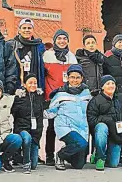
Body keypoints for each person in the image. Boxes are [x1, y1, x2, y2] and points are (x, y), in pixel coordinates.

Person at [44, 64, 93, 171]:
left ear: (82, 78)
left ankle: (68, 151)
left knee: (79, 165)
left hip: (82, 128)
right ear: (68, 78)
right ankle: (61, 155)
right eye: (72, 77)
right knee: (81, 143)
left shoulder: (87, 93)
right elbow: (51, 111)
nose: (75, 80)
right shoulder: (60, 93)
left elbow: (92, 109)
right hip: (65, 127)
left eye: (77, 77)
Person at [42, 29, 78, 165]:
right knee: (51, 127)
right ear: (54, 40)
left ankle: (68, 153)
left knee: (68, 126)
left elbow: (76, 77)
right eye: (59, 39)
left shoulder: (72, 57)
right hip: (52, 98)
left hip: (68, 98)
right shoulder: (47, 55)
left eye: (64, 38)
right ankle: (50, 155)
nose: (62, 41)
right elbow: (42, 76)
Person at [87, 74, 122, 171]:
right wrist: (107, 120)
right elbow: (91, 120)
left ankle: (103, 153)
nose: (111, 85)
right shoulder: (95, 101)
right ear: (102, 87)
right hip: (102, 131)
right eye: (108, 83)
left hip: (116, 133)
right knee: (101, 127)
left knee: (113, 164)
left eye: (113, 83)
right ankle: (100, 156)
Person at [75, 34, 105, 159]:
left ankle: (94, 153)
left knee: (95, 124)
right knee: (84, 123)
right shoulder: (80, 58)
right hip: (86, 94)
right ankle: (83, 153)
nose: (91, 45)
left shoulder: (101, 58)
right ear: (84, 45)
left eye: (93, 42)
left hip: (98, 95)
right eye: (88, 43)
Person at [11, 73, 45, 173]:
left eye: (35, 83)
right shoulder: (18, 98)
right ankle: (26, 163)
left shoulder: (40, 98)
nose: (33, 85)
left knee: (34, 165)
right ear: (25, 85)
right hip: (22, 129)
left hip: (35, 131)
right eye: (30, 83)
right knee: (26, 138)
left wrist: (38, 135)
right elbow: (12, 113)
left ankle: (17, 158)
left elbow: (41, 117)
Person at [7, 18, 46, 91]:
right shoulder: (11, 45)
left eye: (29, 28)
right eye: (24, 28)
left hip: (34, 85)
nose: (27, 30)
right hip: (16, 85)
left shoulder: (39, 47)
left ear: (33, 30)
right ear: (19, 30)